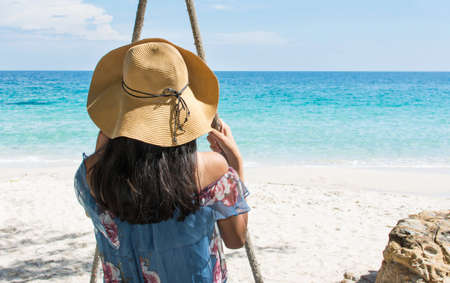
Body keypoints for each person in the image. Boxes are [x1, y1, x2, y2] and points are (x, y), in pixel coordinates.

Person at [74, 38, 250, 283]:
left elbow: (107, 213)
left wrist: (113, 126)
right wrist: (236, 164)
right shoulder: (211, 169)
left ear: (120, 106)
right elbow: (236, 239)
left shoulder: (91, 174)